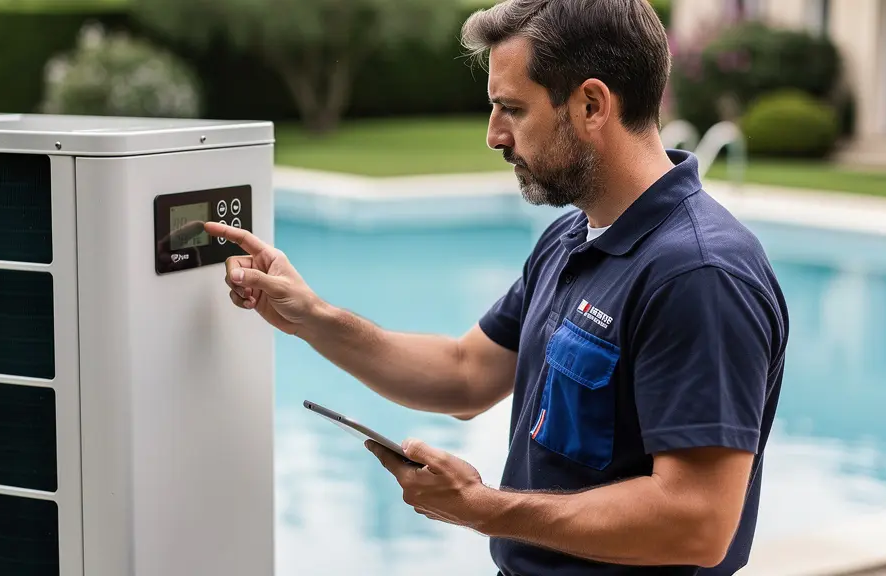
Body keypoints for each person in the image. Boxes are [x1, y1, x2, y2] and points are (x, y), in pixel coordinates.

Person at [204, 0, 789, 573]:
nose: (493, 135)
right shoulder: (572, 238)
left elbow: (697, 522)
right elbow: (465, 373)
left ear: (591, 105)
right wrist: (311, 317)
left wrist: (483, 509)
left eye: (511, 108)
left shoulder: (699, 274)